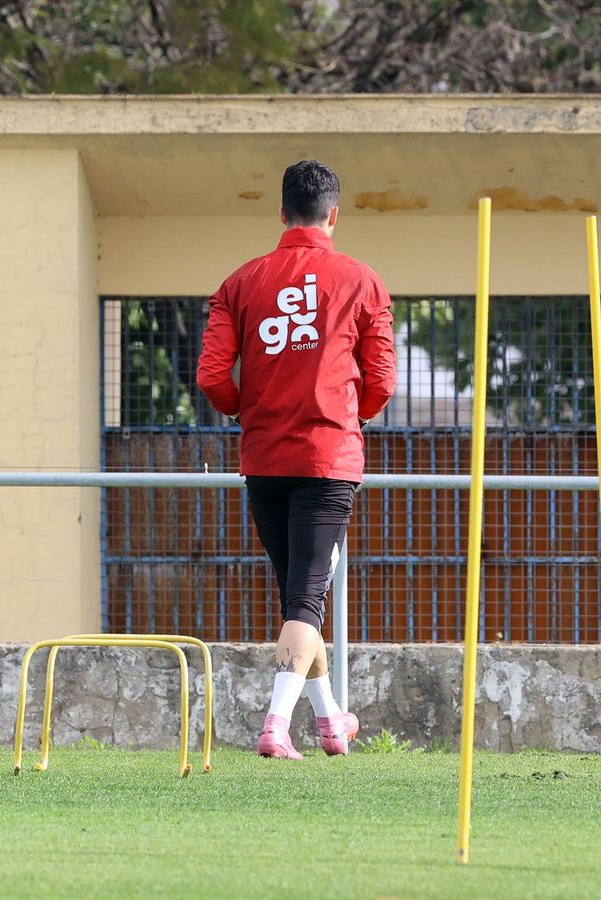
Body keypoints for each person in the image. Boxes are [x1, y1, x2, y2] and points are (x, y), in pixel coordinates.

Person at [196, 160, 396, 760]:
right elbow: (382, 378)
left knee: (297, 598)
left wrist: (243, 410)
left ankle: (332, 721)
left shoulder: (239, 283)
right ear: (333, 215)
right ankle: (276, 725)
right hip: (327, 458)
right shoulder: (361, 280)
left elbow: (211, 376)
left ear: (281, 213)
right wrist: (351, 416)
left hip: (263, 457)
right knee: (307, 599)